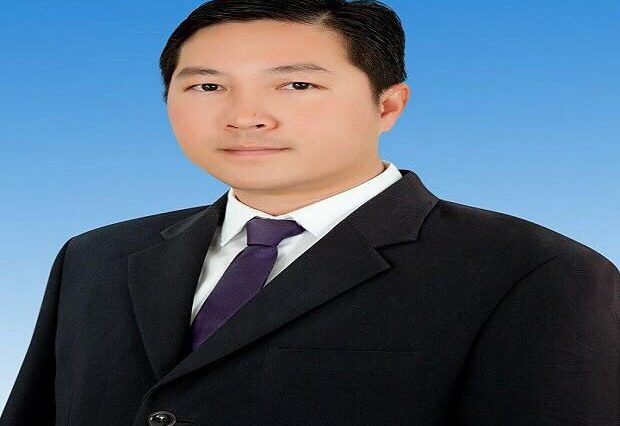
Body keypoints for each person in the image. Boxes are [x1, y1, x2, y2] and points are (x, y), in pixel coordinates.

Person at [2, 1, 618, 425]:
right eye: (207, 86)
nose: (245, 117)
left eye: (296, 85)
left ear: (388, 105)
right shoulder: (97, 256)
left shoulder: (534, 273)